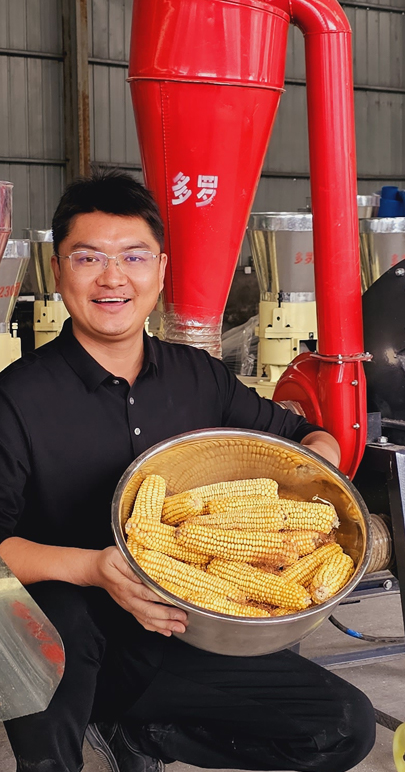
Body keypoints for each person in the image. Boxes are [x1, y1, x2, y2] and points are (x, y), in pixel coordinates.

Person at [0, 170, 375, 772]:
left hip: (180, 628)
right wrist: (93, 569)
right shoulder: (17, 398)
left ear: (161, 269)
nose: (113, 277)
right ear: (58, 269)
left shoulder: (200, 377)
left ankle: (144, 735)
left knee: (342, 731)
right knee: (32, 624)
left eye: (133, 256)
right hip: (65, 632)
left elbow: (306, 438)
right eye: (89, 257)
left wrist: (311, 492)